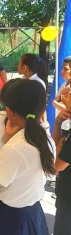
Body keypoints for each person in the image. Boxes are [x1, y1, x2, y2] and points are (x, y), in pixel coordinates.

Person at [0, 79, 55, 235]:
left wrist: (6, 142)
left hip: (9, 218)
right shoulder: (46, 139)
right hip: (34, 212)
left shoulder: (14, 148)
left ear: (10, 111)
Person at [52, 97, 71, 234]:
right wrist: (58, 123)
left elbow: (55, 168)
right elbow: (55, 145)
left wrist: (58, 150)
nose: (66, 94)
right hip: (64, 195)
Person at [18, 53, 49, 129]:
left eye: (19, 63)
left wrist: (44, 125)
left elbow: (42, 105)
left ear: (24, 67)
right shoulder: (26, 80)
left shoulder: (36, 83)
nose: (17, 66)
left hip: (34, 123)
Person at [53, 56, 71, 135]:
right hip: (61, 123)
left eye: (66, 69)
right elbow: (55, 101)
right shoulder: (64, 84)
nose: (62, 71)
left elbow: (56, 102)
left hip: (67, 125)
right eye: (62, 68)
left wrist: (58, 102)